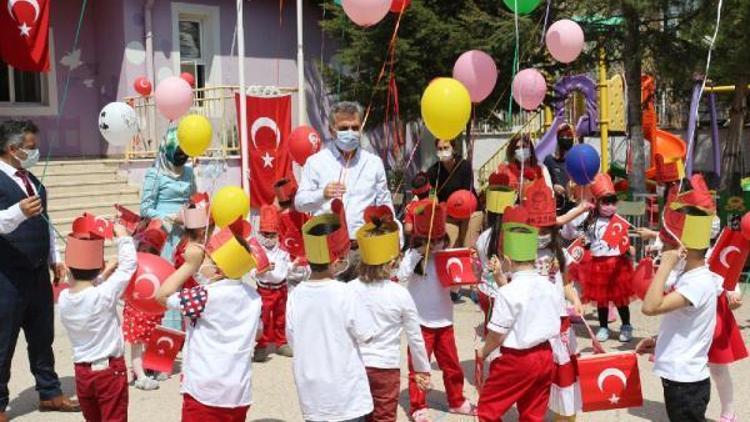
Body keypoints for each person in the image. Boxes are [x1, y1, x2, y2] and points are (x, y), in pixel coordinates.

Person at [0, 120, 80, 421]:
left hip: (37, 274)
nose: (36, 153)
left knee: (42, 337)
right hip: (6, 276)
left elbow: (46, 225)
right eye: (31, 148)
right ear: (12, 148)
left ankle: (49, 392)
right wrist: (17, 212)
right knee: (3, 341)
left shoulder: (34, 181)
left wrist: (54, 259)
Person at [637, 176, 722, 422]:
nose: (663, 247)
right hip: (681, 378)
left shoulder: (697, 282)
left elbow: (650, 307)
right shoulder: (691, 277)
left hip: (685, 382)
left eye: (667, 242)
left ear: (682, 247)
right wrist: (658, 340)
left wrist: (665, 266)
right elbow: (685, 323)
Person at [156, 226, 262, 422]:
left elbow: (162, 295)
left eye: (208, 258)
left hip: (205, 392)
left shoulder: (204, 296)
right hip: (238, 391)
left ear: (218, 270)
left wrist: (188, 265)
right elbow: (258, 332)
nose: (203, 260)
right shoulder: (254, 297)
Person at [286, 202, 376, 422]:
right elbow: (367, 334)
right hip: (345, 394)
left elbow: (292, 338)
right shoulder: (346, 293)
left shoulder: (295, 295)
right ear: (336, 260)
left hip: (312, 393)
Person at [476, 205, 562, 422]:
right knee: (533, 413)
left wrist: (484, 351)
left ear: (507, 258)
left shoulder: (508, 293)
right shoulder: (549, 286)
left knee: (488, 409)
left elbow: (497, 334)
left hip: (517, 359)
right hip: (545, 355)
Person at [295, 101, 394, 282]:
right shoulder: (316, 162)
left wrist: (395, 242)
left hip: (365, 250)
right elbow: (300, 203)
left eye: (355, 127)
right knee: (332, 308)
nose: (350, 132)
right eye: (344, 128)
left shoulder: (373, 163)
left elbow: (385, 204)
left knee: (365, 307)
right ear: (332, 130)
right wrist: (322, 194)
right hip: (329, 253)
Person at [348, 206, 431, 422]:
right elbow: (415, 337)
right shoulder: (400, 295)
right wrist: (422, 370)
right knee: (383, 417)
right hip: (386, 368)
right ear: (393, 262)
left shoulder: (347, 290)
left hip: (354, 365)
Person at [397, 199, 476, 421]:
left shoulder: (446, 257)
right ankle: (418, 405)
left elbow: (456, 286)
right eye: (430, 241)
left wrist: (461, 276)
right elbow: (401, 275)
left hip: (444, 321)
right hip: (419, 323)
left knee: (451, 365)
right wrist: (418, 252)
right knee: (419, 367)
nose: (435, 245)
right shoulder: (414, 258)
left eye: (439, 240)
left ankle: (456, 400)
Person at [58, 223, 136, 422]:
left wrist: (105, 273)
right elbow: (128, 265)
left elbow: (87, 289)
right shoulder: (104, 294)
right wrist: (123, 237)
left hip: (83, 372)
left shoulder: (65, 298)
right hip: (109, 371)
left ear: (67, 269)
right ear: (98, 268)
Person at [562, 173, 634, 342]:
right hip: (599, 265)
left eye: (612, 201)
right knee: (602, 300)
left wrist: (629, 250)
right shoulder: (590, 221)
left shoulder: (618, 220)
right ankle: (603, 327)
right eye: (605, 201)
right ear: (597, 202)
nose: (609, 206)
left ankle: (626, 325)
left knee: (620, 299)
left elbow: (625, 241)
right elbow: (581, 237)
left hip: (617, 265)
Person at [140, 127, 196, 330]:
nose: (181, 158)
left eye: (185, 154)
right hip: (163, 236)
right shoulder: (155, 174)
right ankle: (166, 332)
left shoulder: (189, 172)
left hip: (185, 235)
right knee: (166, 281)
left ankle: (185, 330)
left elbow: (193, 198)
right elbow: (145, 208)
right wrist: (171, 218)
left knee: (185, 279)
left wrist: (192, 213)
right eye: (178, 153)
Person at [252, 205, 294, 362]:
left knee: (280, 317)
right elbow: (251, 271)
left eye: (272, 234)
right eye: (265, 234)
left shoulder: (283, 249)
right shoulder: (256, 250)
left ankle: (281, 343)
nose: (268, 238)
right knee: (263, 318)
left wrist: (293, 266)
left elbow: (287, 265)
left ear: (277, 233)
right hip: (264, 289)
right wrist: (262, 270)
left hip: (281, 288)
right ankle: (261, 345)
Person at [426, 139, 481, 248]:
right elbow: (432, 192)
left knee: (468, 246)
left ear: (453, 149)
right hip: (448, 214)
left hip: (469, 212)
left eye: (446, 148)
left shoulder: (464, 166)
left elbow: (466, 192)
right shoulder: (433, 171)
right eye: (440, 149)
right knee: (450, 246)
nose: (443, 151)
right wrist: (433, 201)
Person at [543, 124, 577, 214]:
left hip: (576, 208)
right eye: (562, 136)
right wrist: (553, 187)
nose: (565, 138)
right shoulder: (549, 160)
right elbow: (543, 182)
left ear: (573, 138)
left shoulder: (579, 159)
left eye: (569, 135)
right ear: (558, 139)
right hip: (557, 208)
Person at [403, 171, 432, 237]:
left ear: (413, 192)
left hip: (420, 243)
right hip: (438, 242)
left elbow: (408, 229)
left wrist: (407, 215)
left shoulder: (411, 208)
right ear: (429, 188)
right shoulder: (434, 203)